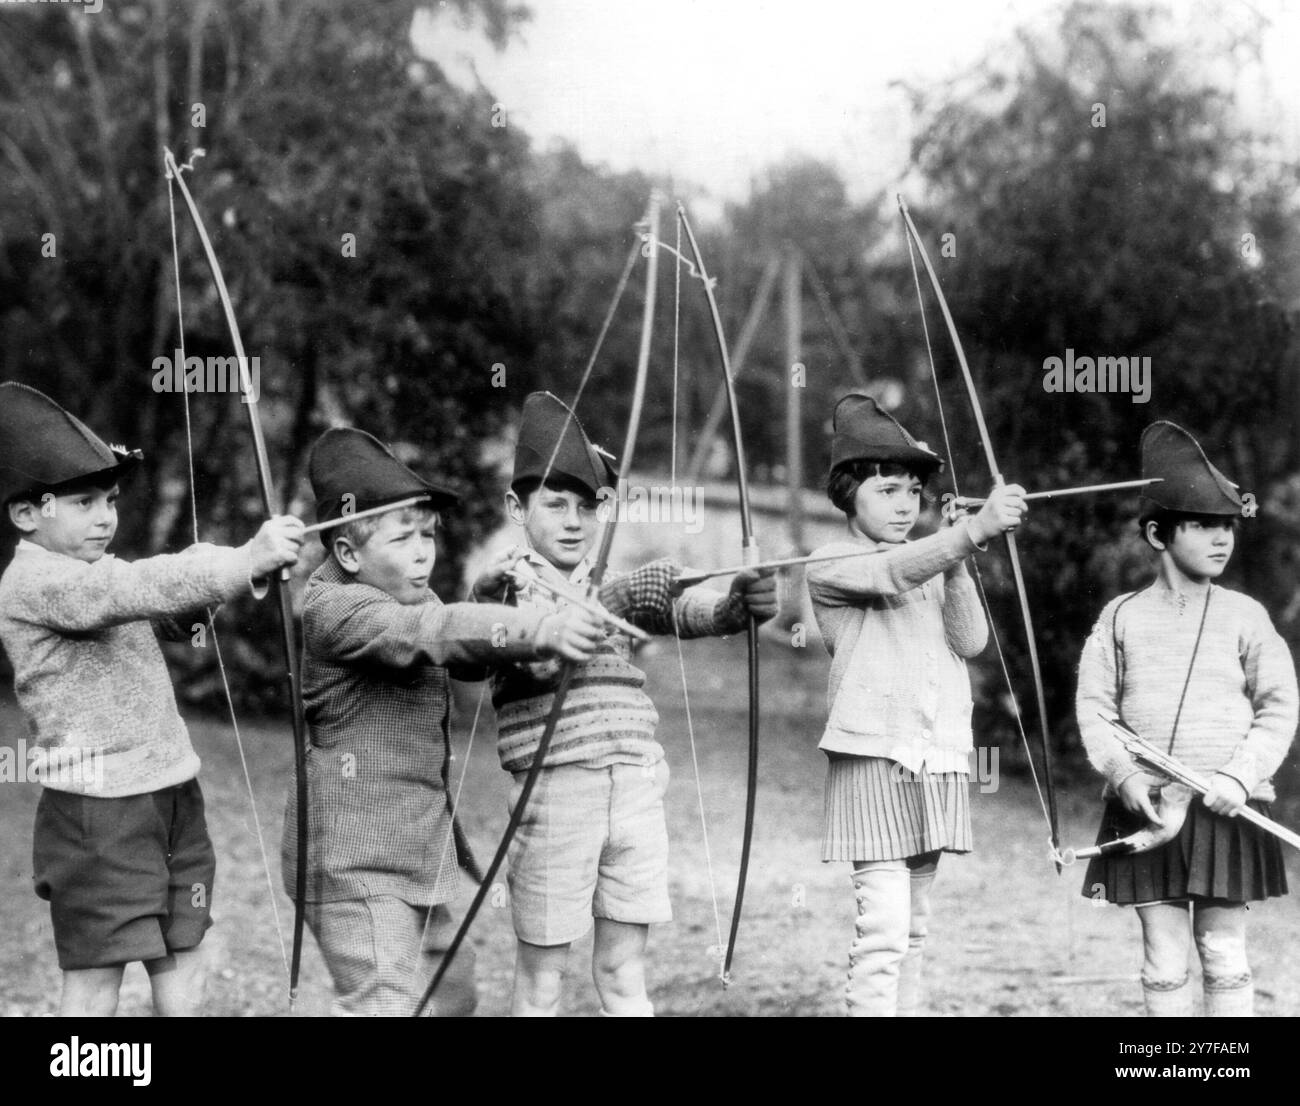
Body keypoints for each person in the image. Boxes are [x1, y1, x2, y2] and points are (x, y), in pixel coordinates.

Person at [0, 382, 304, 1015]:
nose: (106, 516)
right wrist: (243, 558)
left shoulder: (95, 578)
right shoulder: (36, 581)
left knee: (183, 949)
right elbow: (138, 587)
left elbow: (166, 608)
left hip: (170, 792)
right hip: (99, 813)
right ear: (27, 514)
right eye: (83, 502)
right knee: (96, 976)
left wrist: (240, 573)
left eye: (109, 500)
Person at [471, 391, 778, 1016]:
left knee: (622, 968)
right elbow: (537, 652)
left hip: (635, 784)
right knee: (542, 982)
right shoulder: (505, 586)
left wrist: (733, 608)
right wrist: (619, 599)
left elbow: (675, 611)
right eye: (555, 504)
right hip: (557, 791)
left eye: (589, 506)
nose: (574, 521)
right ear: (515, 506)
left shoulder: (602, 577)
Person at [282, 426, 602, 1016]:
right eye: (403, 539)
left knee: (453, 998)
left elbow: (460, 651)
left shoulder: (417, 600)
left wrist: (505, 613)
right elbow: (430, 635)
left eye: (428, 536)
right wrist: (540, 629)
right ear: (349, 554)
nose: (423, 552)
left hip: (414, 857)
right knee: (387, 1004)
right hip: (351, 864)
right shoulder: (334, 608)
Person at [805, 392, 1025, 1017]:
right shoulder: (832, 561)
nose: (905, 504)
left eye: (912, 492)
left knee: (915, 926)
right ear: (848, 493)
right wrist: (965, 534)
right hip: (873, 758)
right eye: (886, 490)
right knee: (883, 930)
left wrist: (959, 559)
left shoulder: (930, 559)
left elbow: (970, 640)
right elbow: (889, 575)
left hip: (934, 759)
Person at [1076, 420, 1296, 1017]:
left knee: (1224, 953)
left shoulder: (1246, 616)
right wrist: (1124, 776)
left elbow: (1279, 706)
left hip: (1229, 806)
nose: (1221, 538)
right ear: (1157, 533)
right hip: (1147, 805)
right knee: (1163, 958)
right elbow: (1095, 712)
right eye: (1202, 524)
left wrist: (1240, 776)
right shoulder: (1119, 617)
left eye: (1227, 525)